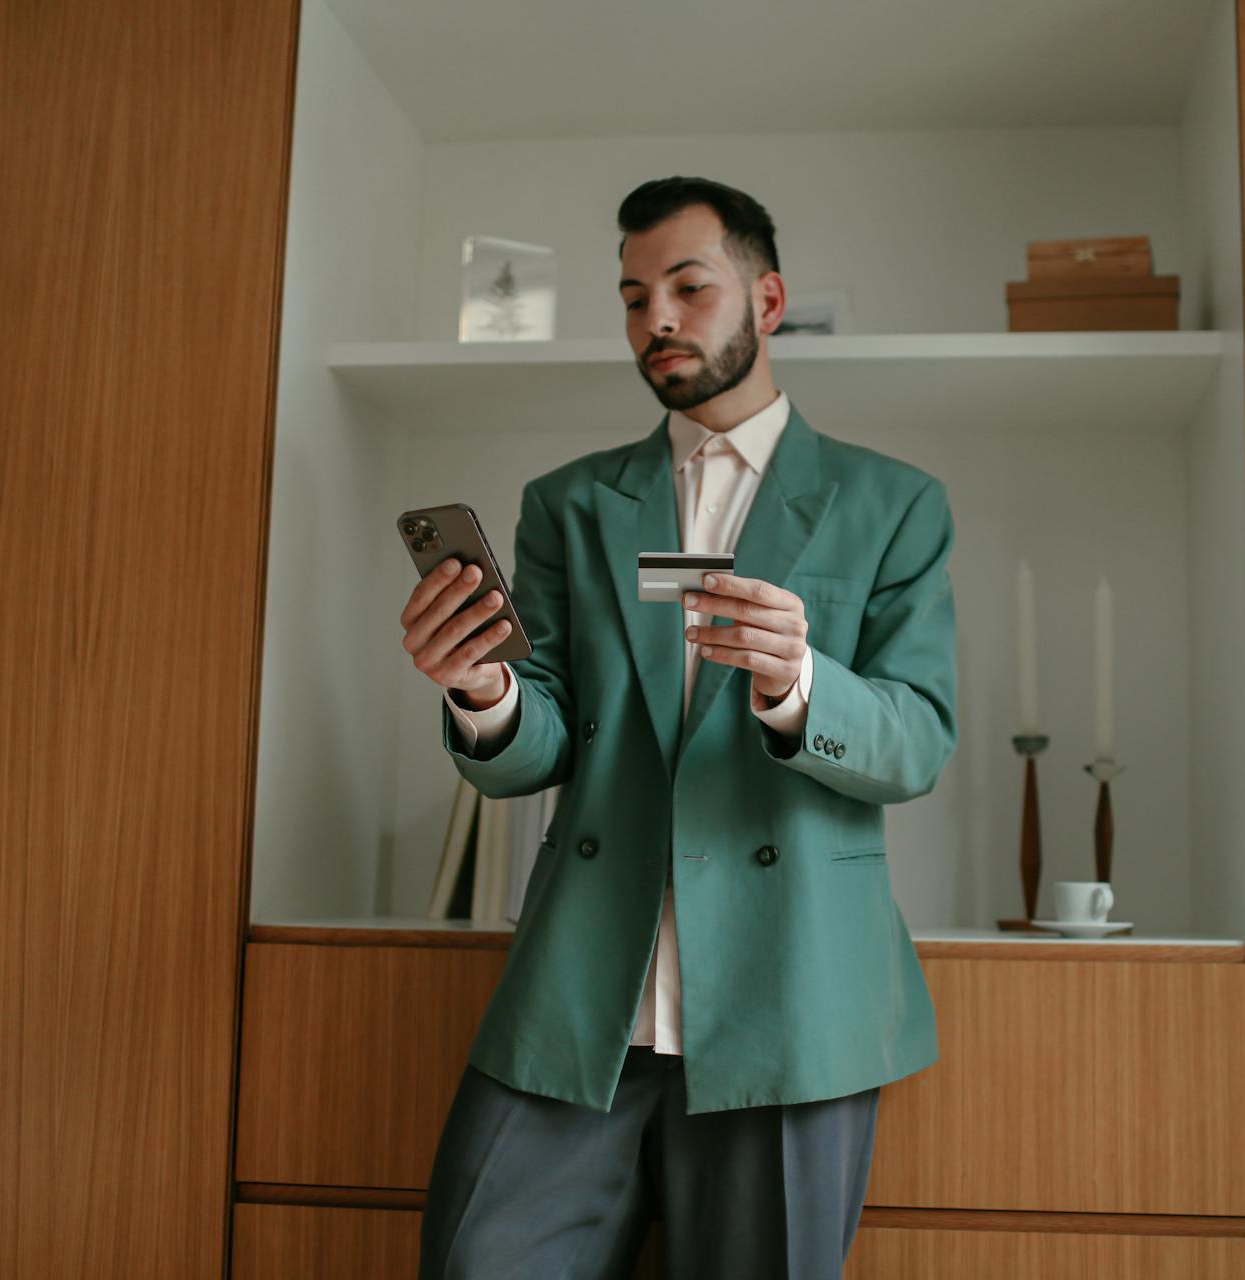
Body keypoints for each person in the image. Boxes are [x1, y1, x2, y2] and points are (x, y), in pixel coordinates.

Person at [400, 175, 959, 1279]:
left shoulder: (892, 501)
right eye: (631, 295)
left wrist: (802, 683)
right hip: (580, 993)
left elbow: (919, 738)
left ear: (769, 298)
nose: (655, 318)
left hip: (793, 1002)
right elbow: (543, 736)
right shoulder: (567, 501)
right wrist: (482, 692)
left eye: (689, 287)